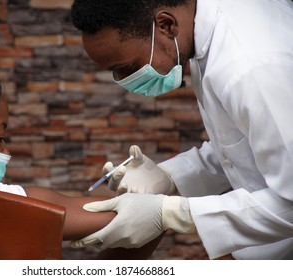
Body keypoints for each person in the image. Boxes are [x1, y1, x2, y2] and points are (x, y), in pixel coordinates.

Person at [69, 0, 293, 259]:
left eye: (127, 68)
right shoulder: (199, 32)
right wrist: (169, 177)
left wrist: (172, 214)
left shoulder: (250, 67)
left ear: (166, 25)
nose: (122, 81)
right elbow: (246, 145)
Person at [0, 56, 162, 259]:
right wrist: (159, 189)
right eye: (0, 138)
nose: (6, 153)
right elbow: (139, 216)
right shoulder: (1, 204)